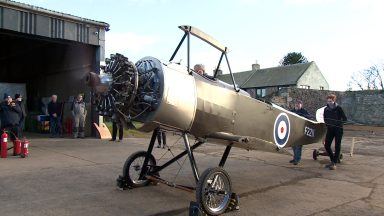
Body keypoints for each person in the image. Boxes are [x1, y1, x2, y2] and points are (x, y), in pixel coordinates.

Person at [323, 94, 347, 170]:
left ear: (334, 101)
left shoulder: (338, 108)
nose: (329, 102)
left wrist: (338, 123)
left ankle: (334, 163)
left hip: (338, 129)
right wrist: (328, 124)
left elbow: (345, 119)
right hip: (330, 129)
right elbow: (325, 118)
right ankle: (333, 159)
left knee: (337, 146)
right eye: (328, 101)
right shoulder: (326, 109)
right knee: (327, 145)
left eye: (330, 101)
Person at [289, 100, 310, 165]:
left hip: (300, 131)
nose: (297, 105)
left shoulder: (304, 111)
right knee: (293, 146)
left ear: (301, 105)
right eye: (296, 104)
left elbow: (308, 118)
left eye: (299, 104)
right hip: (292, 130)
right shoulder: (291, 111)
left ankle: (297, 160)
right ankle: (295, 158)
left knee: (298, 146)